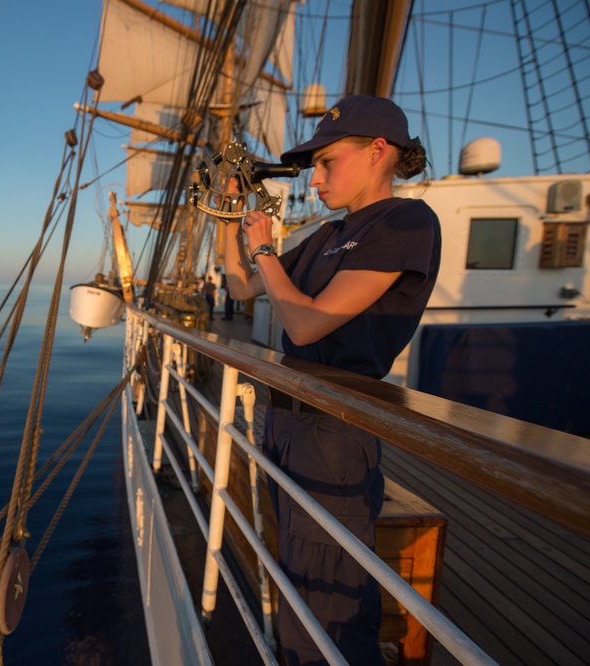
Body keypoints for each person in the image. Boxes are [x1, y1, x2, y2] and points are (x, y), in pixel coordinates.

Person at [221, 95, 441, 666]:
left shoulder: (407, 222)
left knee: (327, 604)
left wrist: (266, 246)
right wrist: (228, 220)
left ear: (378, 152)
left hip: (336, 432)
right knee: (298, 579)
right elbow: (244, 287)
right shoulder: (327, 235)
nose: (313, 179)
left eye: (327, 162)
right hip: (291, 419)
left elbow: (307, 320)